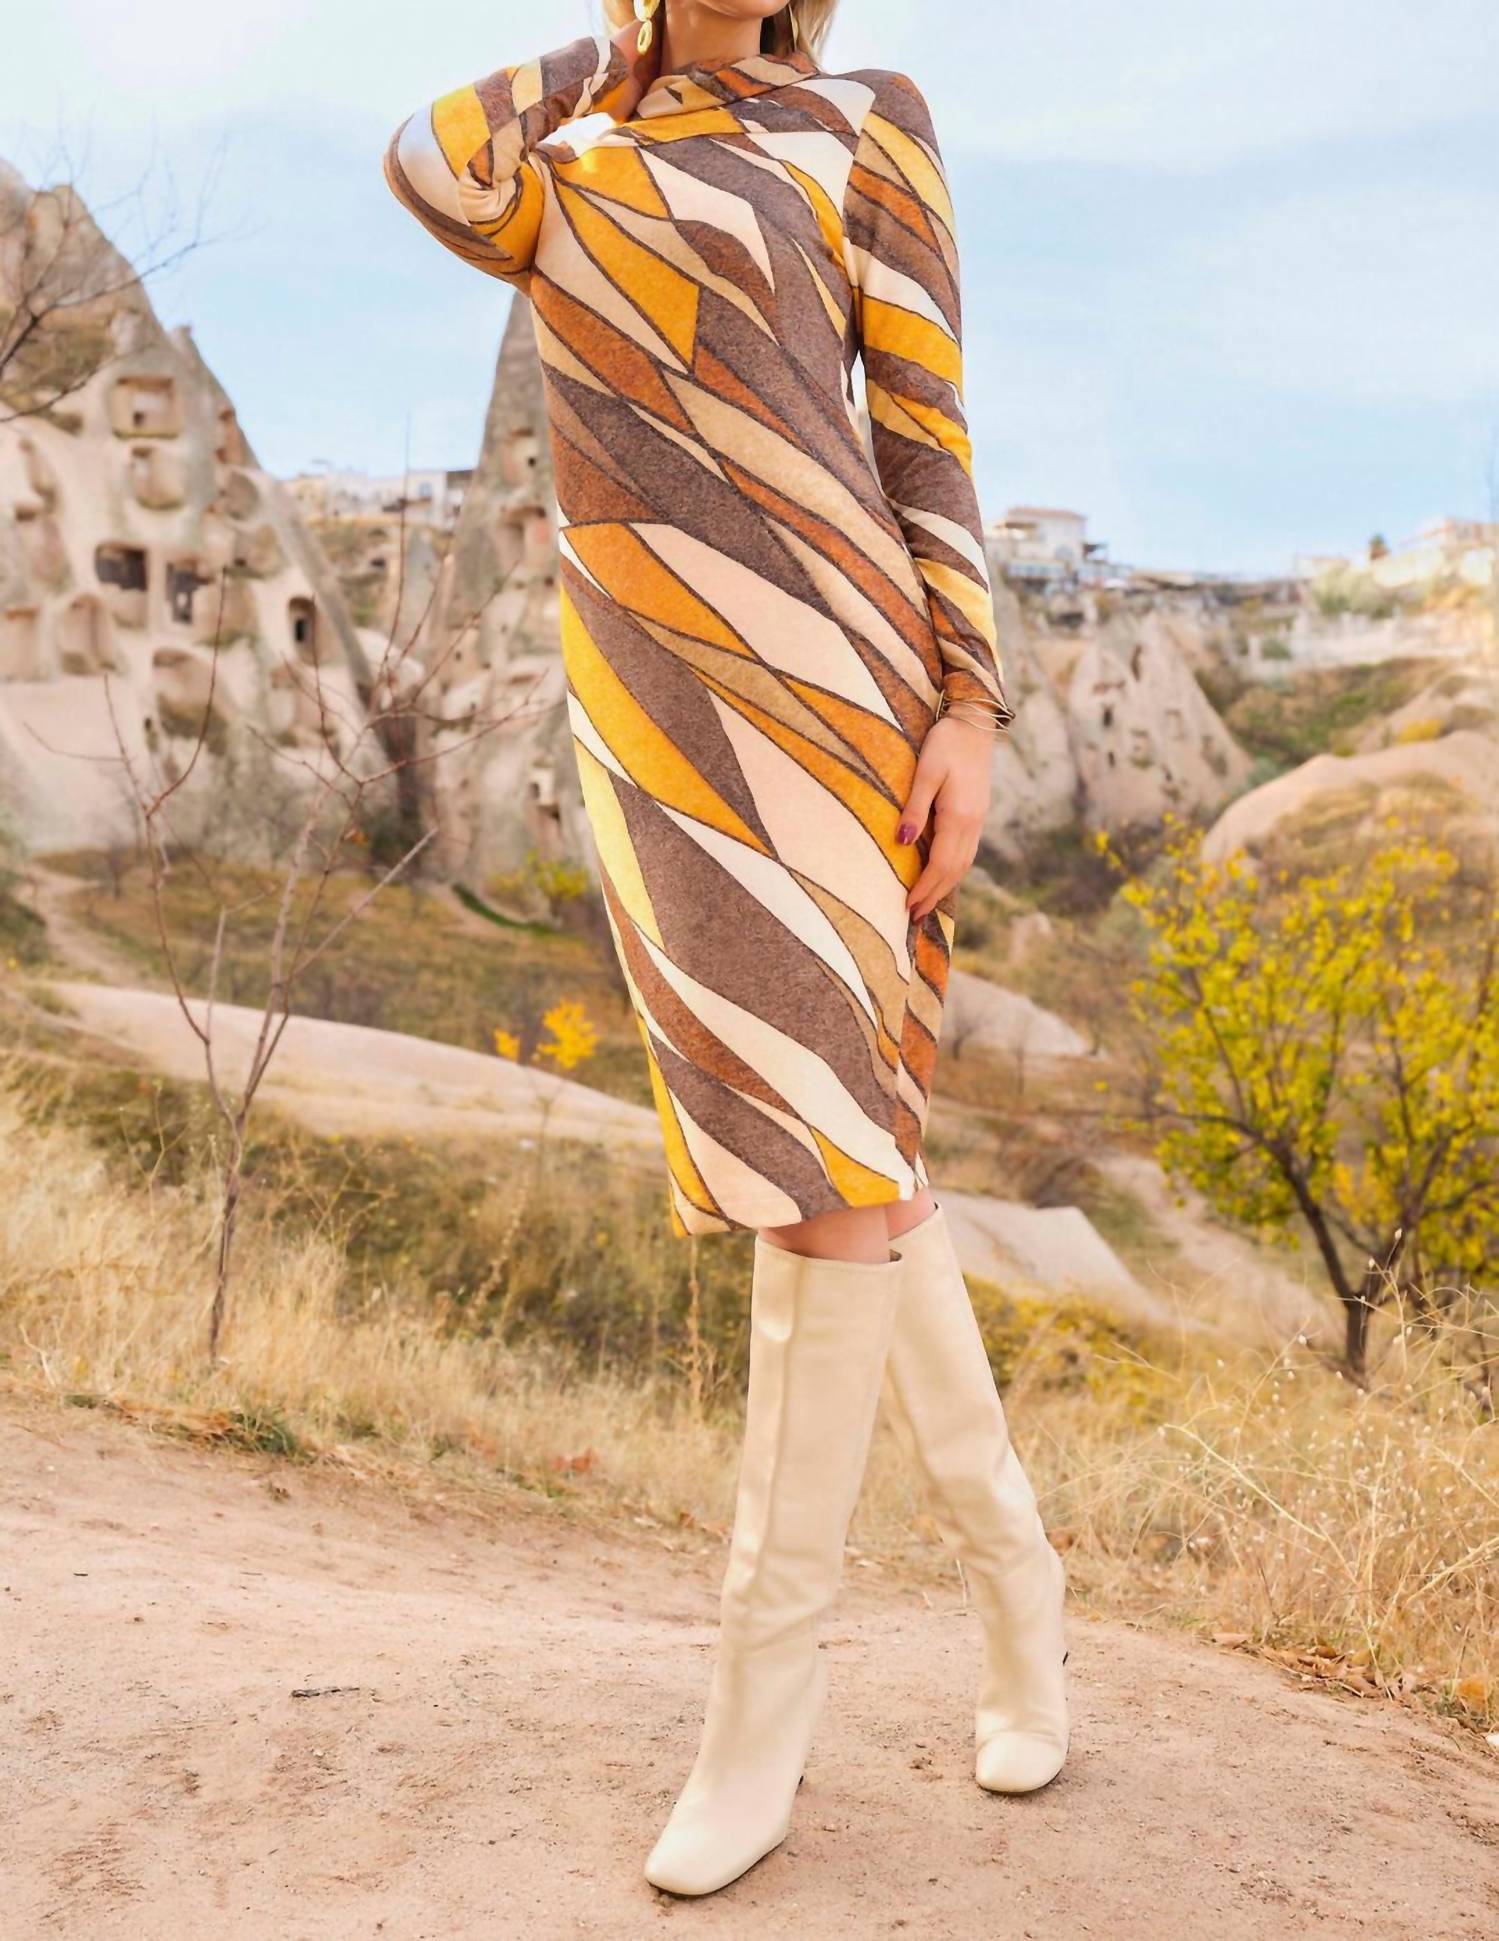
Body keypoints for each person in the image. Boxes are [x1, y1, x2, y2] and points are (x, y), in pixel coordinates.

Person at [385, 0, 1067, 1899]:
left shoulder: (866, 116)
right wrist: (613, 51)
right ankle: (1023, 1589)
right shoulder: (571, 156)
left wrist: (972, 705)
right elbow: (430, 161)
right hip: (659, 715)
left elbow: (925, 430)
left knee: (814, 1176)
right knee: (853, 1165)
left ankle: (759, 1725)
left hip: (843, 684)